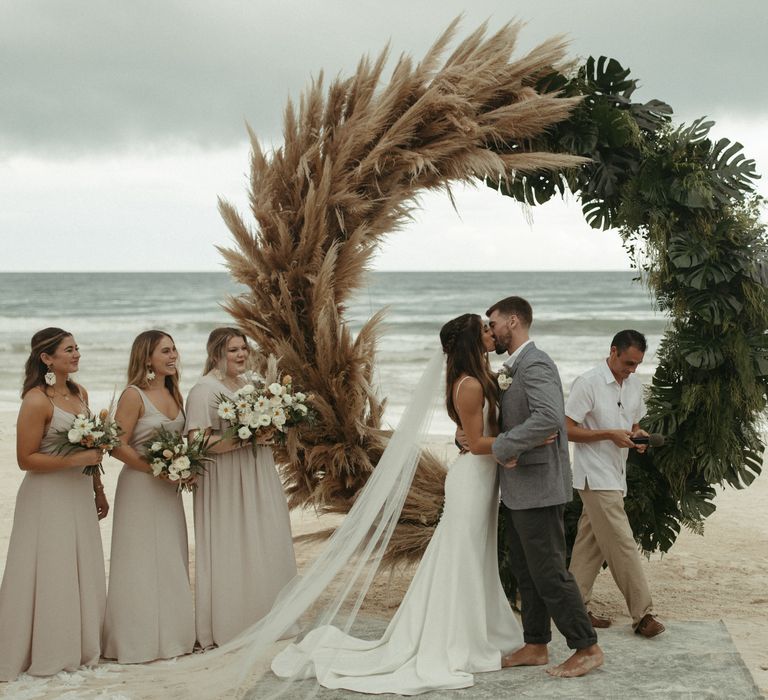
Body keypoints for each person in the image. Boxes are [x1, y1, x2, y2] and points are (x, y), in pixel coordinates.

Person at [271, 313, 524, 694]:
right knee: (463, 559)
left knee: (475, 556)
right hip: (472, 481)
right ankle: (459, 641)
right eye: (485, 330)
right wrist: (524, 442)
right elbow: (475, 441)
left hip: (485, 482)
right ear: (472, 341)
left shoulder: (484, 379)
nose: (492, 333)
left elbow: (478, 436)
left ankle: (480, 630)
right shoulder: (469, 385)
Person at [487, 296, 604, 678]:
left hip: (539, 487)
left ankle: (586, 648)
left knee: (550, 572)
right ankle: (536, 644)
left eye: (495, 323)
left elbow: (550, 419)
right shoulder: (513, 368)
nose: (492, 331)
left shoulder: (535, 363)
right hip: (520, 489)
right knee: (527, 571)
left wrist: (503, 446)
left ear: (515, 321)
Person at [0, 328, 108, 681]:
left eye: (77, 348)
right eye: (68, 350)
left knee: (79, 566)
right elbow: (25, 459)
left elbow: (90, 449)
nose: (76, 354)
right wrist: (75, 461)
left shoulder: (80, 393)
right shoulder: (35, 400)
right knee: (50, 568)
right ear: (47, 358)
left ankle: (77, 645)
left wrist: (98, 487)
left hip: (78, 494)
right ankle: (45, 649)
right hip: (46, 498)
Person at [185, 327, 297, 648]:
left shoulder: (252, 385)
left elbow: (266, 424)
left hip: (258, 472)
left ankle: (266, 615)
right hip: (227, 480)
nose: (241, 354)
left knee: (265, 538)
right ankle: (232, 622)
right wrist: (244, 437)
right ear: (215, 354)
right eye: (232, 349)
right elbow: (197, 442)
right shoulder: (203, 391)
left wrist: (270, 431)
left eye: (244, 348)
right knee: (232, 543)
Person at [102, 330, 196, 663]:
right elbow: (115, 444)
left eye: (174, 350)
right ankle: (135, 641)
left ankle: (173, 636)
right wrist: (152, 468)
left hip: (168, 489)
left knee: (171, 555)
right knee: (139, 560)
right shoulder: (134, 395)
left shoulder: (174, 393)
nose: (174, 356)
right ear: (147, 358)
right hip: (140, 487)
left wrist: (183, 466)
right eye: (166, 351)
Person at [565, 329, 665, 638]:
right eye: (627, 363)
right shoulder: (588, 383)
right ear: (613, 352)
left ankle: (573, 611)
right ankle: (643, 614)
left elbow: (634, 424)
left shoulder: (635, 386)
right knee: (622, 542)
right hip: (594, 476)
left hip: (615, 474)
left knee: (589, 544)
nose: (631, 369)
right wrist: (608, 434)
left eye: (636, 364)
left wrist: (639, 438)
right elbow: (566, 429)